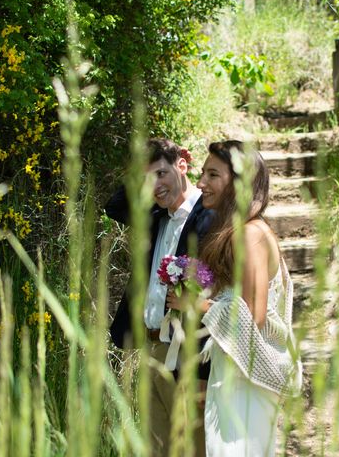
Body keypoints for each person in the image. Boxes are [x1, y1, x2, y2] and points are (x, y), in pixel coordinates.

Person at [168, 140, 302, 456]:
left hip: (247, 377)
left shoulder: (252, 234)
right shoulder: (240, 231)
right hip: (235, 368)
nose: (201, 184)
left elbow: (253, 316)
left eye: (213, 175)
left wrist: (196, 305)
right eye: (202, 174)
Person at [105, 138, 214, 457]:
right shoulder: (154, 214)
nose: (155, 185)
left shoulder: (207, 216)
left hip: (189, 356)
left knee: (193, 449)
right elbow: (114, 206)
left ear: (183, 166)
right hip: (151, 350)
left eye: (162, 174)